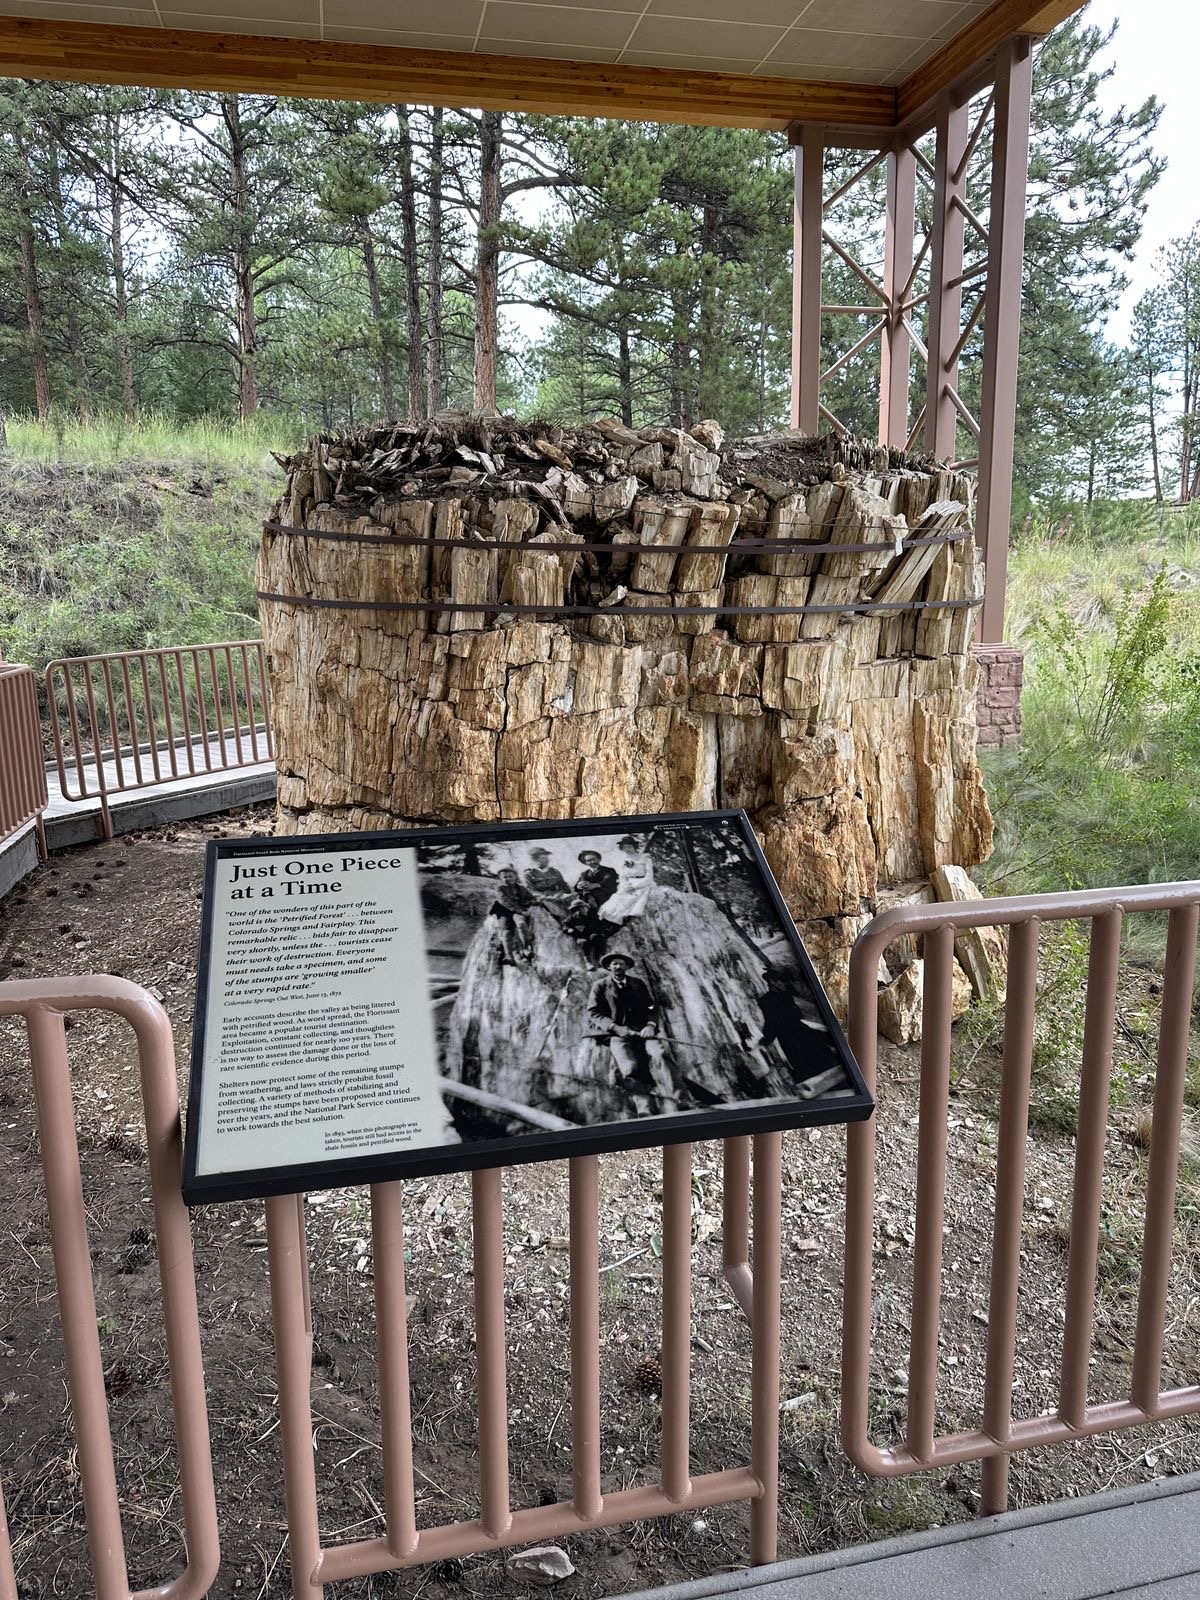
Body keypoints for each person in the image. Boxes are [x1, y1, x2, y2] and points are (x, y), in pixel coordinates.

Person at [586, 953, 675, 1114]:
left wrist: (650, 1024)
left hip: (643, 1032)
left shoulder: (638, 984)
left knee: (661, 1055)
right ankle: (644, 1108)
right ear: (609, 967)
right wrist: (614, 1027)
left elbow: (651, 1006)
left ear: (626, 967)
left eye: (621, 964)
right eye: (614, 964)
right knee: (629, 1067)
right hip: (617, 1034)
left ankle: (683, 1101)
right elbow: (594, 1012)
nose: (618, 967)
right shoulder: (600, 986)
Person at [742, 965, 843, 1099]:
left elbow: (797, 1014)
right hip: (793, 1041)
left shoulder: (786, 995)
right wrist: (762, 1042)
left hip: (803, 1036)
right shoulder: (766, 1001)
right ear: (773, 982)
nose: (785, 984)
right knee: (809, 1069)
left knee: (825, 1062)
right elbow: (771, 1026)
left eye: (785, 981)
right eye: (782, 981)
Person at [597, 836, 655, 925]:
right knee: (616, 901)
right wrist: (625, 885)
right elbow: (622, 877)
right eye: (625, 847)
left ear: (634, 847)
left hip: (643, 884)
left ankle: (628, 920)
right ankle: (612, 924)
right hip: (628, 884)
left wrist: (635, 886)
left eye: (629, 847)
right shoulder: (624, 861)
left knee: (632, 900)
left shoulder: (646, 859)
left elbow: (649, 877)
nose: (627, 849)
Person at [492, 867, 535, 961]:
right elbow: (504, 901)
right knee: (506, 932)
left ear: (515, 877)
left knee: (521, 924)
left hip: (518, 911)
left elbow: (531, 898)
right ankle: (508, 955)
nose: (508, 879)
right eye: (505, 877)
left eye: (510, 876)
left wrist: (530, 902)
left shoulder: (521, 889)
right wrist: (520, 911)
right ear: (500, 878)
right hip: (505, 912)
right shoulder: (500, 889)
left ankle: (526, 948)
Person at [523, 848, 575, 921]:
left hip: (557, 895)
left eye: (547, 858)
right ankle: (566, 922)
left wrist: (560, 893)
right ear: (534, 860)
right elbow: (530, 890)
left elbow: (563, 885)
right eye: (542, 858)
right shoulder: (529, 874)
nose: (546, 860)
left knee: (575, 903)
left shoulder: (555, 872)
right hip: (541, 898)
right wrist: (546, 896)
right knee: (553, 907)